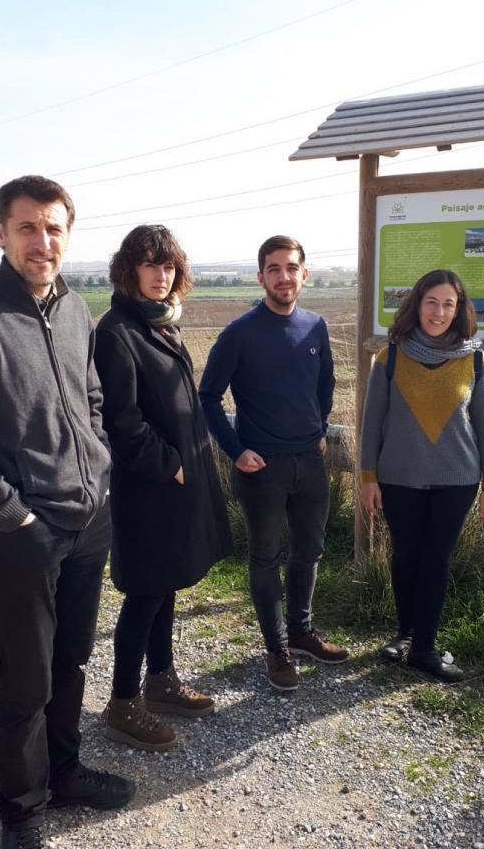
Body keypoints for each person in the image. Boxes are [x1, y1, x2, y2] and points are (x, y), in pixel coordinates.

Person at [0, 176, 135, 849]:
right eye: (27, 228)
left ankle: (65, 772)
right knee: (26, 677)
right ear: (1, 233)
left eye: (54, 229)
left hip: (86, 518)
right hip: (16, 534)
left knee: (70, 661)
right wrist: (11, 513)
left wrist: (96, 468)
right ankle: (22, 812)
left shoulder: (74, 309)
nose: (43, 242)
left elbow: (90, 396)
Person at [94, 225, 232, 751]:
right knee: (145, 592)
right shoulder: (116, 332)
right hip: (149, 488)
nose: (161, 276)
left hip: (176, 482)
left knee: (166, 583)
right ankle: (124, 702)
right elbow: (121, 421)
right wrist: (169, 464)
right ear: (129, 271)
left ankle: (161, 680)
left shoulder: (163, 324)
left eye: (169, 267)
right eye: (151, 266)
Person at [199, 235, 349, 692]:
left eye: (291, 268)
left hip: (311, 463)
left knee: (310, 551)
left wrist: (319, 427)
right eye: (274, 269)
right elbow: (207, 396)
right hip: (260, 468)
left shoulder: (315, 326)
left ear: (305, 274)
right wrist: (235, 449)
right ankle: (277, 648)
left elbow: (326, 381)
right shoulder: (240, 333)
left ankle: (302, 633)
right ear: (260, 276)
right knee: (266, 557)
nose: (284, 277)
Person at [359, 269, 484, 682]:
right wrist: (368, 478)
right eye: (431, 302)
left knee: (436, 561)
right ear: (417, 305)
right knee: (405, 557)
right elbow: (372, 425)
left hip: (456, 480)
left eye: (448, 304)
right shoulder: (392, 357)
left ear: (459, 311)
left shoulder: (475, 359)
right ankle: (404, 635)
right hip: (398, 477)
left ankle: (424, 649)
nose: (439, 312)